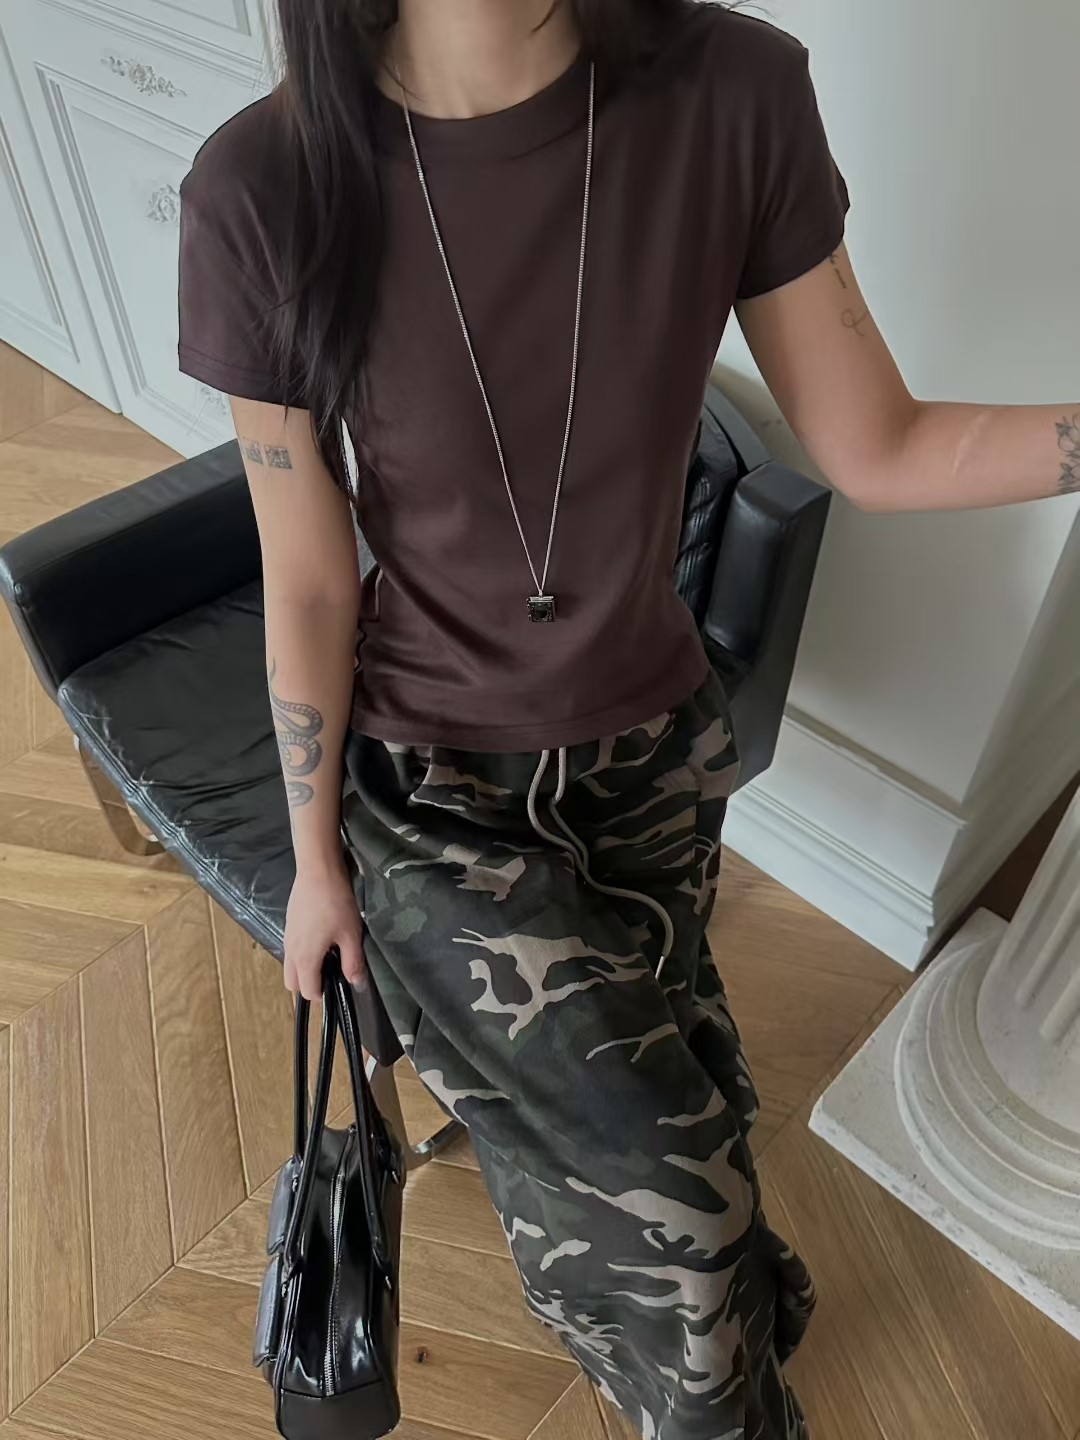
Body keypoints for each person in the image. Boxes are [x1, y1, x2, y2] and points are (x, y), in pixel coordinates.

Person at [176, 2, 1078, 1435]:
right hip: (429, 794)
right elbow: (309, 577)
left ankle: (734, 1326)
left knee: (697, 1096)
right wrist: (314, 859)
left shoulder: (735, 94)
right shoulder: (264, 187)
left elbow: (881, 443)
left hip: (651, 756)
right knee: (677, 1218)